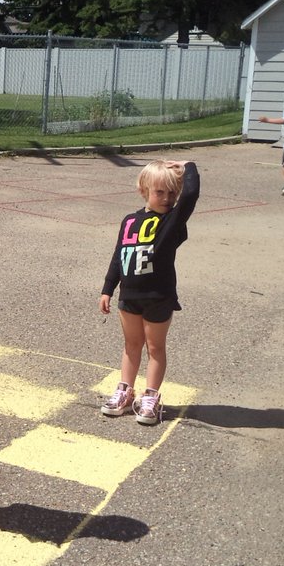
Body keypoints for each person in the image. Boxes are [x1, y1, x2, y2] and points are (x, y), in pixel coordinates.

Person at [98, 160, 200, 426]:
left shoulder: (171, 221)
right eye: (159, 192)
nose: (167, 199)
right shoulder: (129, 221)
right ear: (143, 190)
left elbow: (190, 195)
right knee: (132, 345)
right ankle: (124, 390)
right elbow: (119, 256)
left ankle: (151, 397)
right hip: (129, 297)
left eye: (171, 193)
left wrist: (189, 166)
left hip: (159, 296)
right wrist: (108, 289)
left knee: (155, 347)